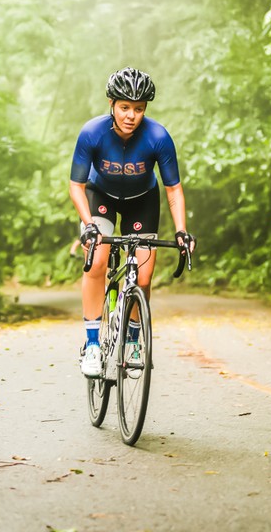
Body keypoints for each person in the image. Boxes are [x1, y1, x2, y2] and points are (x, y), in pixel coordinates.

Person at [68, 67, 195, 377]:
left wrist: (181, 231)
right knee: (97, 260)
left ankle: (133, 341)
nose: (131, 115)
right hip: (102, 197)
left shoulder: (158, 137)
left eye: (138, 109)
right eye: (125, 107)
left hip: (143, 201)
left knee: (145, 277)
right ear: (112, 103)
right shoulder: (92, 133)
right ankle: (94, 344)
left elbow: (173, 189)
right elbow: (76, 186)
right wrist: (89, 224)